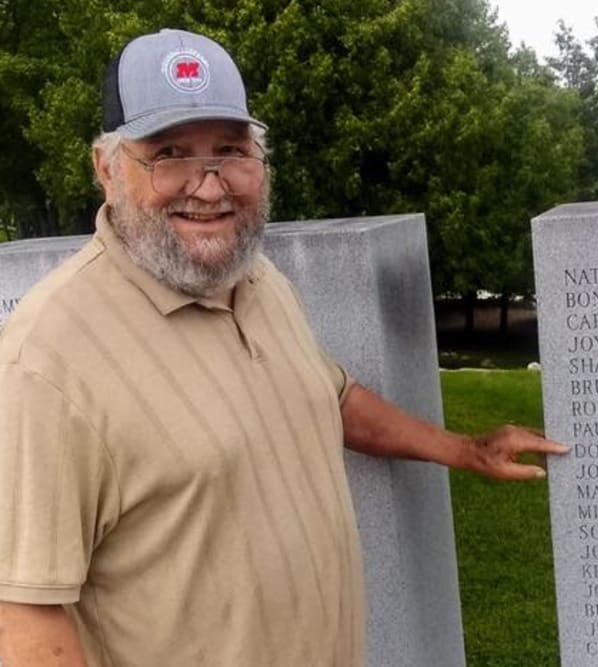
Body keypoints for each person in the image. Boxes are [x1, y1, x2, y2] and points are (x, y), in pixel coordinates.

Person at [0, 28, 566, 666]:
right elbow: (23, 615)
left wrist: (464, 449)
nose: (210, 187)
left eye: (230, 151)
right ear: (107, 169)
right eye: (170, 154)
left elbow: (330, 396)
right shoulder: (44, 364)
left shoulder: (256, 278)